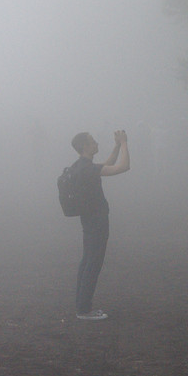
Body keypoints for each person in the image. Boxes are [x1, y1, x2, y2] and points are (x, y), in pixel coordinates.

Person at [69, 129, 129, 320]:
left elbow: (107, 164)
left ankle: (81, 305)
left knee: (87, 260)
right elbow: (123, 167)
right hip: (97, 221)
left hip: (88, 219)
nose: (96, 143)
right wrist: (124, 143)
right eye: (92, 141)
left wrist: (117, 146)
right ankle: (84, 310)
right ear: (84, 146)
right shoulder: (88, 169)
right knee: (93, 263)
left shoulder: (80, 166)